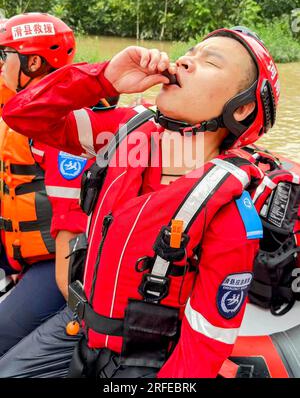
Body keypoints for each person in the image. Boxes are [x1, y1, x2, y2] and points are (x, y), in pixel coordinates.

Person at [3, 26, 280, 378]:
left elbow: (205, 343)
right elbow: (22, 115)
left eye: (209, 61)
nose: (185, 61)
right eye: (190, 52)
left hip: (145, 361)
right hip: (81, 328)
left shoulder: (229, 214)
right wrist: (105, 78)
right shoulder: (123, 131)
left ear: (240, 109)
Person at [0, 12, 81, 356]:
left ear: (32, 62)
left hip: (52, 259)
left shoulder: (64, 120)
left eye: (5, 57)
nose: (1, 66)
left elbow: (75, 217)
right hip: (17, 248)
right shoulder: (16, 103)